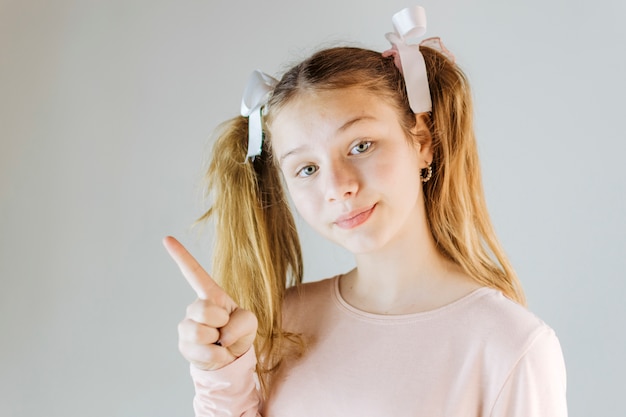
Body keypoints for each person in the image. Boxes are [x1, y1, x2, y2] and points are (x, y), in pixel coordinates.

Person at [163, 6, 567, 416]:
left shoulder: (509, 346)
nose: (338, 187)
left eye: (361, 146)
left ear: (422, 140)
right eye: (307, 169)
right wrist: (221, 376)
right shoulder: (276, 324)